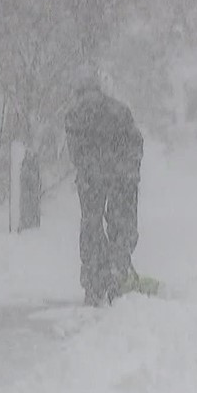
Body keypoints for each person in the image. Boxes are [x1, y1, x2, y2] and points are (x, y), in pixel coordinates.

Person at [64, 69, 144, 306]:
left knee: (91, 225)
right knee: (121, 224)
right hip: (122, 176)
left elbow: (76, 153)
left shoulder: (73, 115)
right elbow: (135, 142)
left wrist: (93, 169)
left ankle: (94, 281)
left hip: (92, 178)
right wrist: (128, 169)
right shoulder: (119, 110)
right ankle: (118, 271)